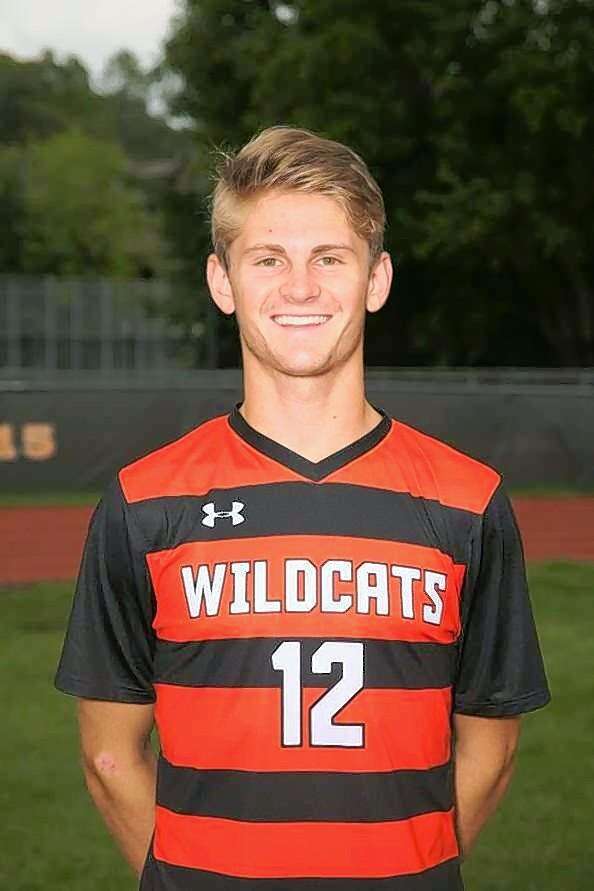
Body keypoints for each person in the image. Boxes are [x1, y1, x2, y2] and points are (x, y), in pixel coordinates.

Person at [55, 125, 550, 891]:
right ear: (221, 281)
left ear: (376, 278)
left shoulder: (468, 501)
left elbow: (492, 747)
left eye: (329, 258)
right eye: (267, 259)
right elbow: (109, 754)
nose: (299, 288)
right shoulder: (142, 503)